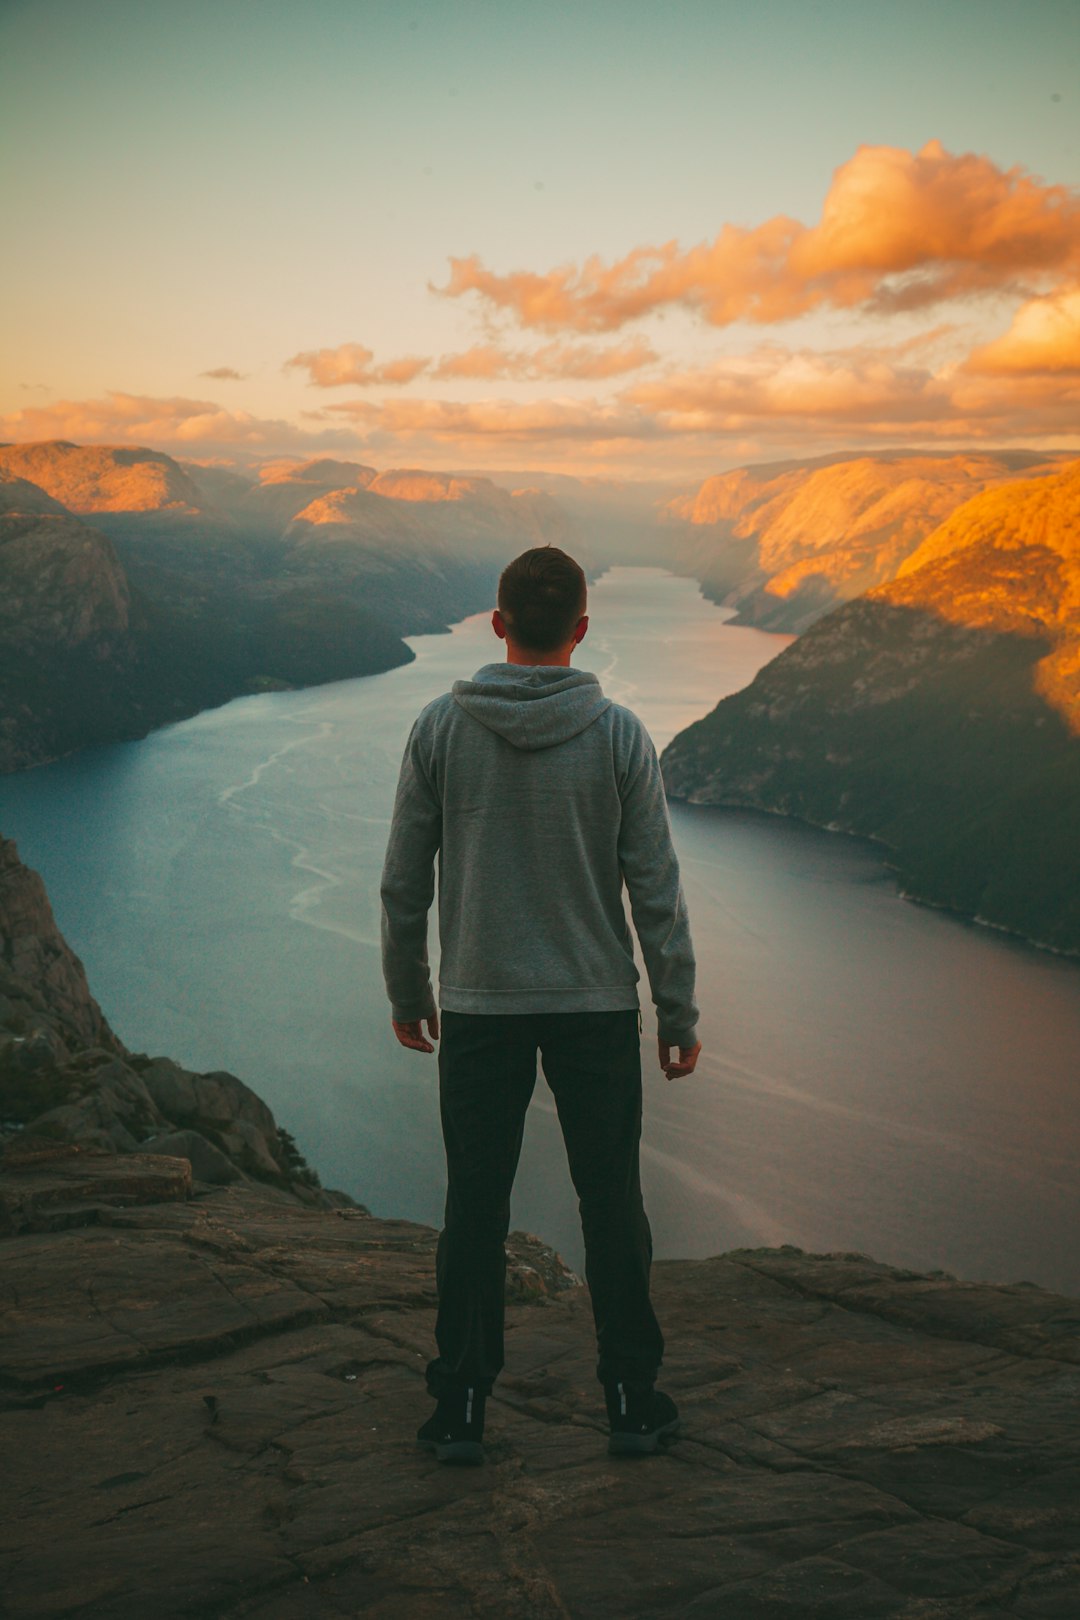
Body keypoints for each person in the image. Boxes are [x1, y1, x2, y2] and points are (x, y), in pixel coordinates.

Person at [380, 544, 701, 1465]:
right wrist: (676, 1015)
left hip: (479, 1007)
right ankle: (634, 1400)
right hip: (596, 1007)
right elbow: (657, 890)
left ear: (497, 624)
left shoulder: (440, 728)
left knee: (474, 1207)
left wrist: (409, 990)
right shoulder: (620, 735)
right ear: (582, 630)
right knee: (612, 1205)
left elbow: (405, 881)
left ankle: (463, 1408)